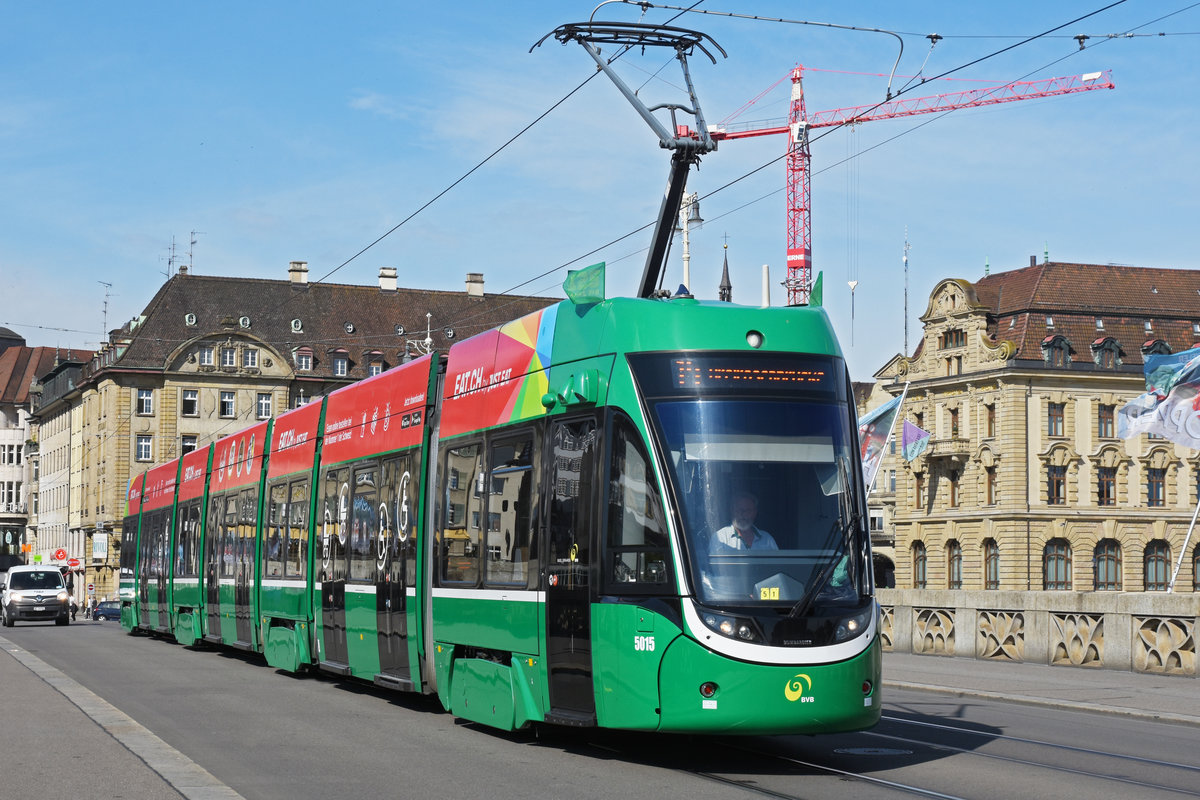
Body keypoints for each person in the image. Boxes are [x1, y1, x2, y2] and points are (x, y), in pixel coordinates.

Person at [712, 491, 778, 551]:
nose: (743, 514)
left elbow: (776, 560)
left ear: (755, 513)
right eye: (739, 510)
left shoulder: (767, 539)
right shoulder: (720, 537)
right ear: (732, 511)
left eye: (748, 511)